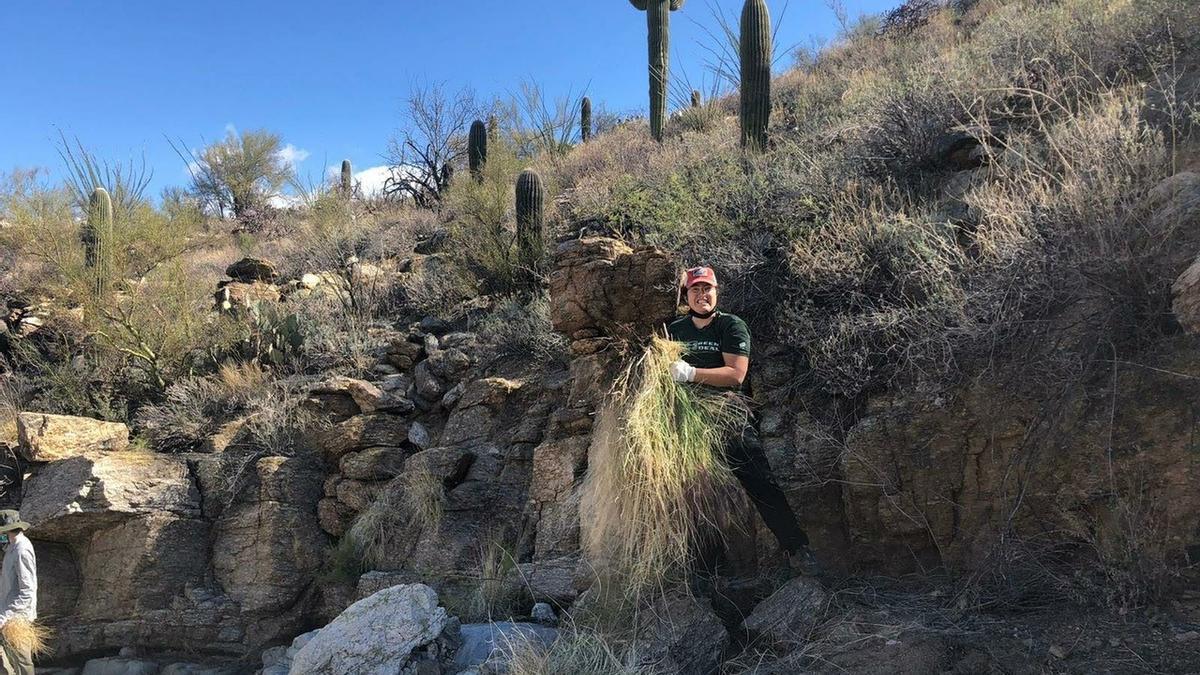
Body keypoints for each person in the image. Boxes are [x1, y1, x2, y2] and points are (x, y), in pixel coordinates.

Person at [667, 266, 820, 575]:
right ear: (686, 295)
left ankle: (797, 550)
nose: (702, 294)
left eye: (707, 288)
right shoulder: (675, 329)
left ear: (716, 292)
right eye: (695, 289)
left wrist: (691, 373)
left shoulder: (730, 326)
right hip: (689, 419)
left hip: (728, 414)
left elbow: (736, 374)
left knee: (759, 480)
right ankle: (703, 573)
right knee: (695, 494)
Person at [0, 510, 36, 675]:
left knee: (23, 663)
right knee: (10, 661)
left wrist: (5, 616)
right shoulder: (12, 546)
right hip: (7, 616)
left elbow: (27, 591)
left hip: (17, 619)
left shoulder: (22, 549)